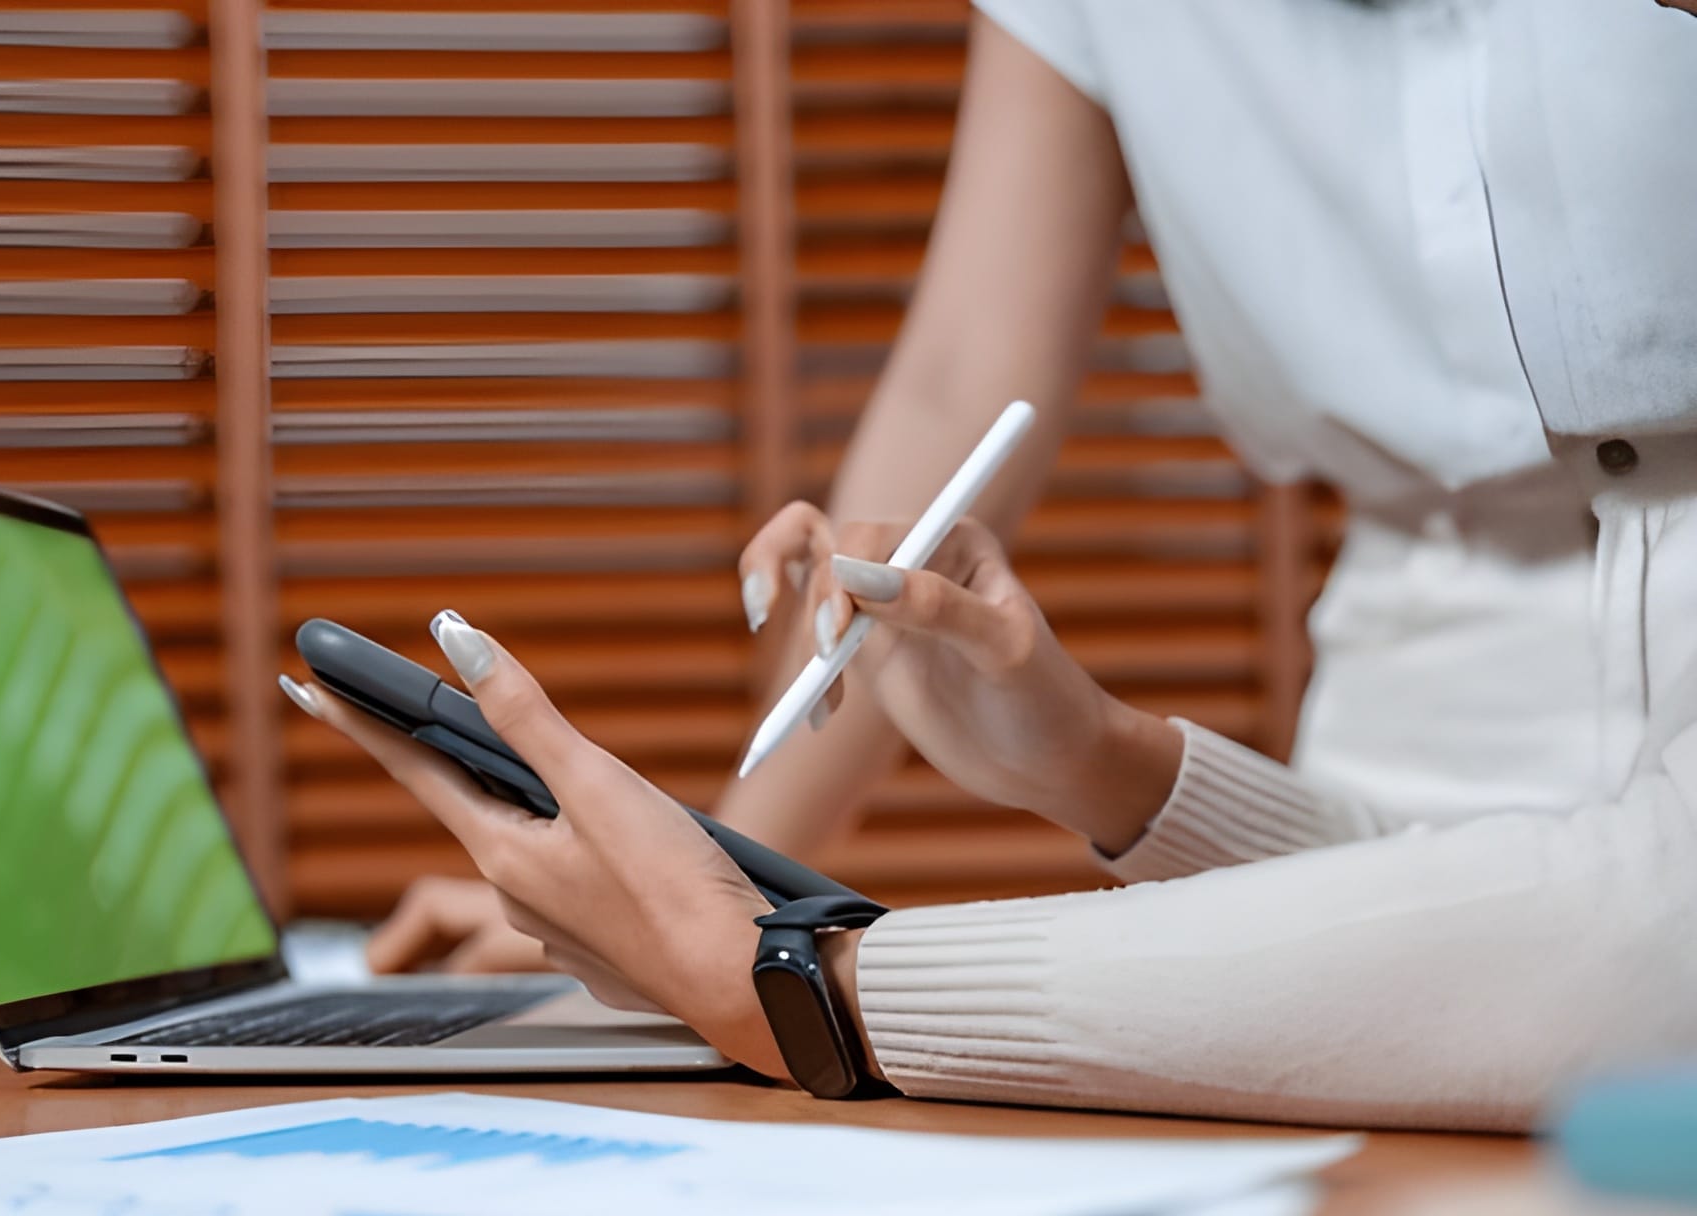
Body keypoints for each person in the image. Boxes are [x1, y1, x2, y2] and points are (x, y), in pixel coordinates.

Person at [285, 0, 1697, 1131]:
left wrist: (779, 980)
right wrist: (702, 892)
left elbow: (1642, 945)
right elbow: (962, 372)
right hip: (1405, 732)